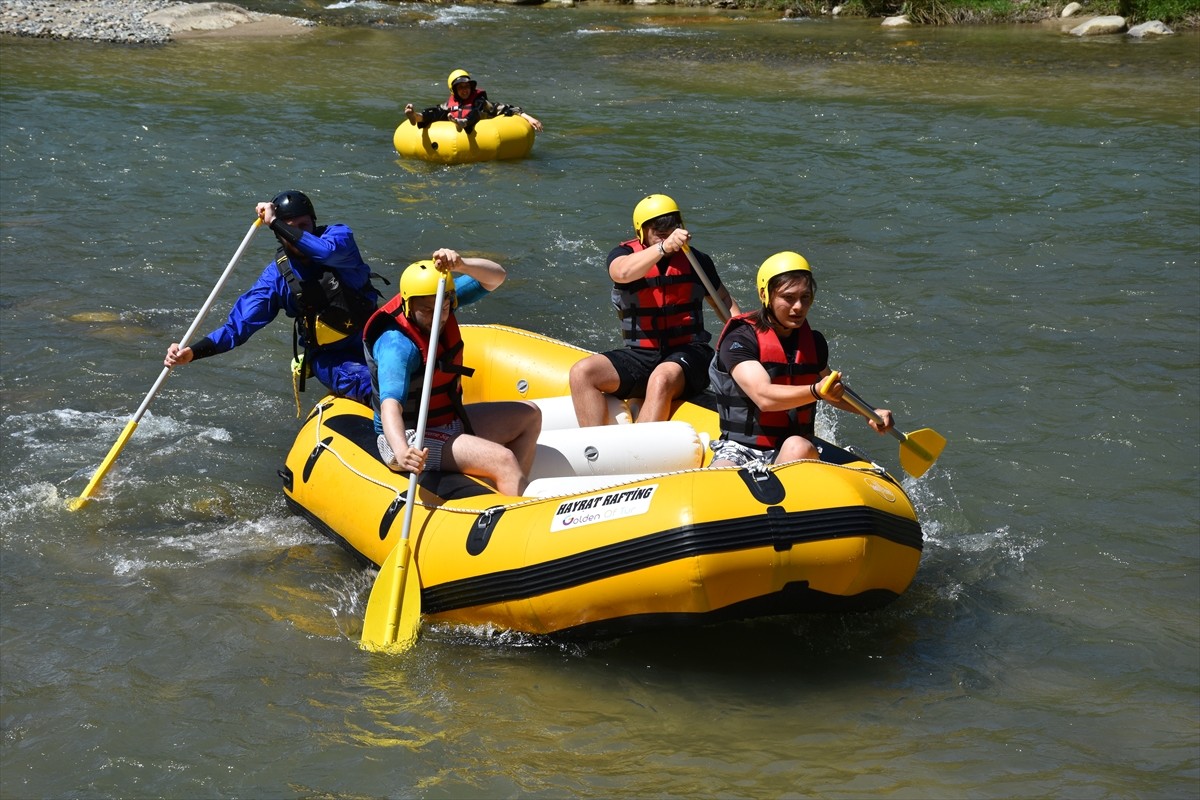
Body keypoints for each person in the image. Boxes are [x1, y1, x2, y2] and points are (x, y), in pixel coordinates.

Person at [164, 191, 383, 406]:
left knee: (401, 371)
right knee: (368, 382)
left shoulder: (339, 237)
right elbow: (237, 328)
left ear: (313, 222)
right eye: (288, 227)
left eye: (303, 225)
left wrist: (277, 222)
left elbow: (325, 253)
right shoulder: (276, 278)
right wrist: (193, 352)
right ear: (278, 234)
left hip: (375, 339)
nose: (296, 233)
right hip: (332, 357)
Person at [363, 250, 542, 496]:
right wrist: (403, 452)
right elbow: (390, 406)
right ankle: (512, 520)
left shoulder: (439, 299)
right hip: (410, 435)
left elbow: (496, 277)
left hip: (446, 420)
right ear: (407, 304)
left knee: (530, 416)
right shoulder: (397, 346)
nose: (437, 316)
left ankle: (507, 492)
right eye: (426, 310)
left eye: (444, 307)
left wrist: (462, 264)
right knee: (503, 459)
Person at [707, 251, 895, 469]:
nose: (798, 307)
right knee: (719, 473)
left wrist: (869, 411)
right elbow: (763, 396)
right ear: (765, 295)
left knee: (798, 445)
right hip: (741, 447)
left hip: (793, 448)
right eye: (788, 297)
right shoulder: (740, 338)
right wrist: (816, 391)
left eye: (805, 297)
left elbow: (834, 391)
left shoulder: (813, 343)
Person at [569, 193, 740, 427]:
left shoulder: (696, 260)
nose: (668, 235)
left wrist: (746, 343)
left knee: (661, 378)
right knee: (582, 373)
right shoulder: (624, 256)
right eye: (659, 232)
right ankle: (595, 452)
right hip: (642, 355)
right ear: (642, 232)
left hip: (691, 354)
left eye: (672, 228)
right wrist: (662, 247)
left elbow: (724, 302)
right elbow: (622, 273)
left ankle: (636, 454)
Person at [403, 69, 543, 134]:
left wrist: (528, 117)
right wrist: (421, 115)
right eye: (461, 88)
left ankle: (463, 122)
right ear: (454, 90)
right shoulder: (450, 104)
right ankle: (415, 116)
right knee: (438, 112)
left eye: (467, 87)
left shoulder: (480, 101)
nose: (465, 90)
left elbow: (505, 108)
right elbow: (437, 112)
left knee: (474, 112)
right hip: (455, 122)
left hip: (474, 123)